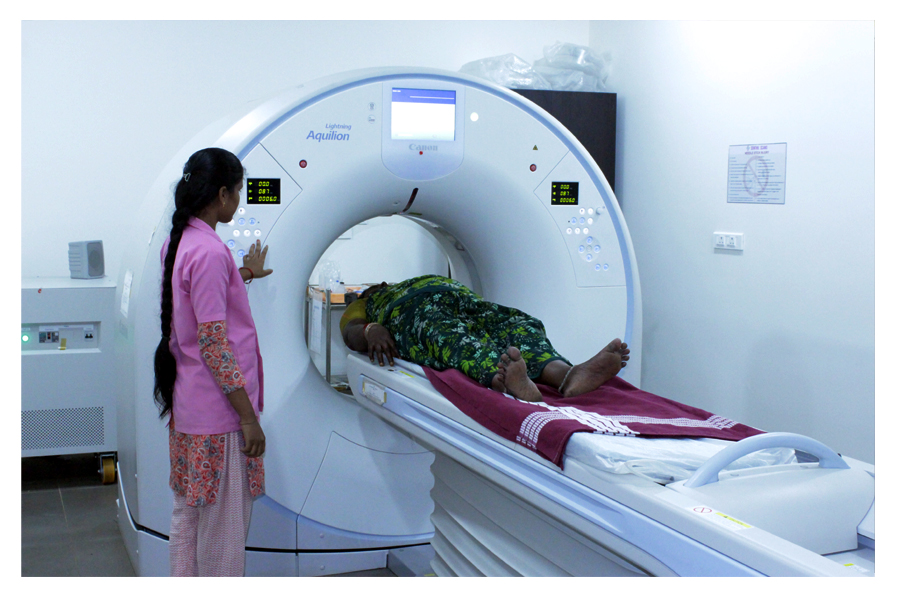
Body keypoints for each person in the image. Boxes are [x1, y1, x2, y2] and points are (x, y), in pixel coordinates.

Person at [152, 147, 273, 577]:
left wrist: (244, 274)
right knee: (223, 538)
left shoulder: (181, 241)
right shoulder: (209, 252)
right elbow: (214, 344)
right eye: (238, 191)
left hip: (190, 412)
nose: (238, 200)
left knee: (188, 521)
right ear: (222, 194)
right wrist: (248, 418)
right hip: (220, 422)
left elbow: (198, 302)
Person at [340, 274, 629, 403]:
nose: (373, 289)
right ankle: (504, 379)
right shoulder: (367, 303)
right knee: (451, 338)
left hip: (463, 300)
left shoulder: (410, 280)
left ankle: (566, 374)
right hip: (412, 312)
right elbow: (351, 331)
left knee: (516, 323)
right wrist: (372, 329)